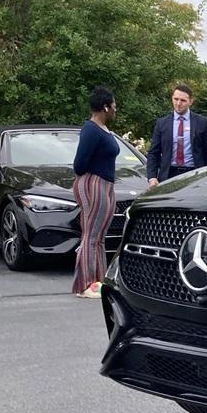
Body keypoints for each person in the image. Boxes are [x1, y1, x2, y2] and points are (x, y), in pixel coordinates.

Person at [72, 86, 120, 298]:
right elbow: (79, 164)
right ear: (105, 107)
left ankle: (98, 282)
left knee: (99, 237)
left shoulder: (104, 129)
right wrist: (94, 180)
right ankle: (85, 285)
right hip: (94, 183)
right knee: (91, 236)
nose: (116, 108)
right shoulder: (91, 129)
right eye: (114, 105)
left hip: (107, 184)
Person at [146, 84, 207, 186]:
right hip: (169, 175)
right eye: (176, 99)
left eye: (183, 100)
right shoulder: (162, 123)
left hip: (195, 174)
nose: (178, 103)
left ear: (190, 102)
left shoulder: (202, 122)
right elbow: (153, 152)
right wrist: (152, 177)